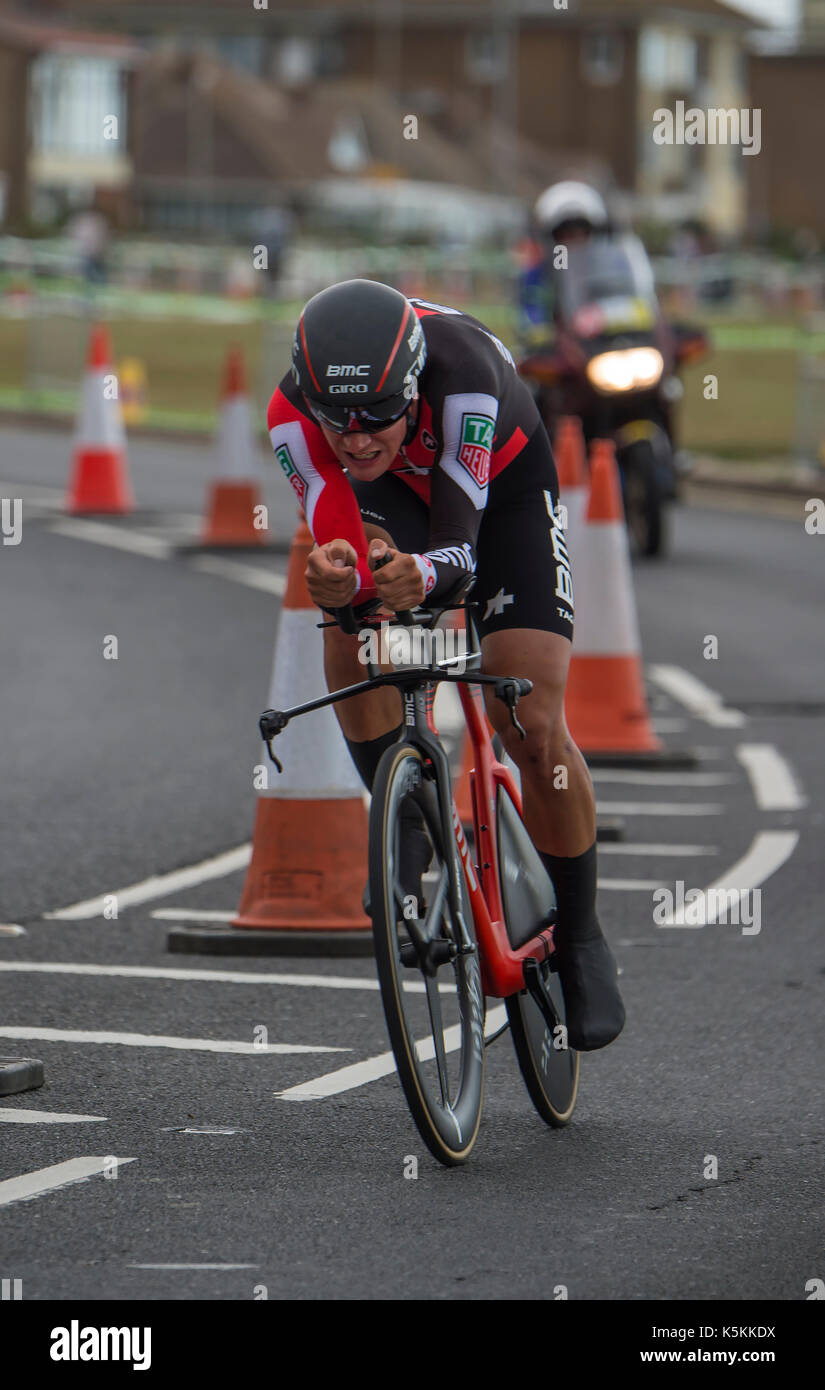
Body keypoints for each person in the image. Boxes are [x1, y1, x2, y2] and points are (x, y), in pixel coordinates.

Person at [266, 279, 625, 1051]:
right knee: (348, 620)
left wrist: (422, 578)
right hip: (393, 502)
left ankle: (583, 935)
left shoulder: (462, 369)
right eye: (338, 420)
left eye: (378, 418)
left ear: (414, 383)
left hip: (505, 497)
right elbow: (338, 532)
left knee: (526, 719)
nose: (356, 438)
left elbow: (460, 548)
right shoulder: (290, 417)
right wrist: (348, 577)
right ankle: (403, 816)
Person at [517, 180, 610, 347]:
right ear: (552, 237)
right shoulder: (540, 274)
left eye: (581, 233)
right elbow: (530, 308)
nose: (574, 241)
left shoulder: (607, 268)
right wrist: (539, 330)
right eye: (565, 234)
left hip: (604, 347)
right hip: (562, 351)